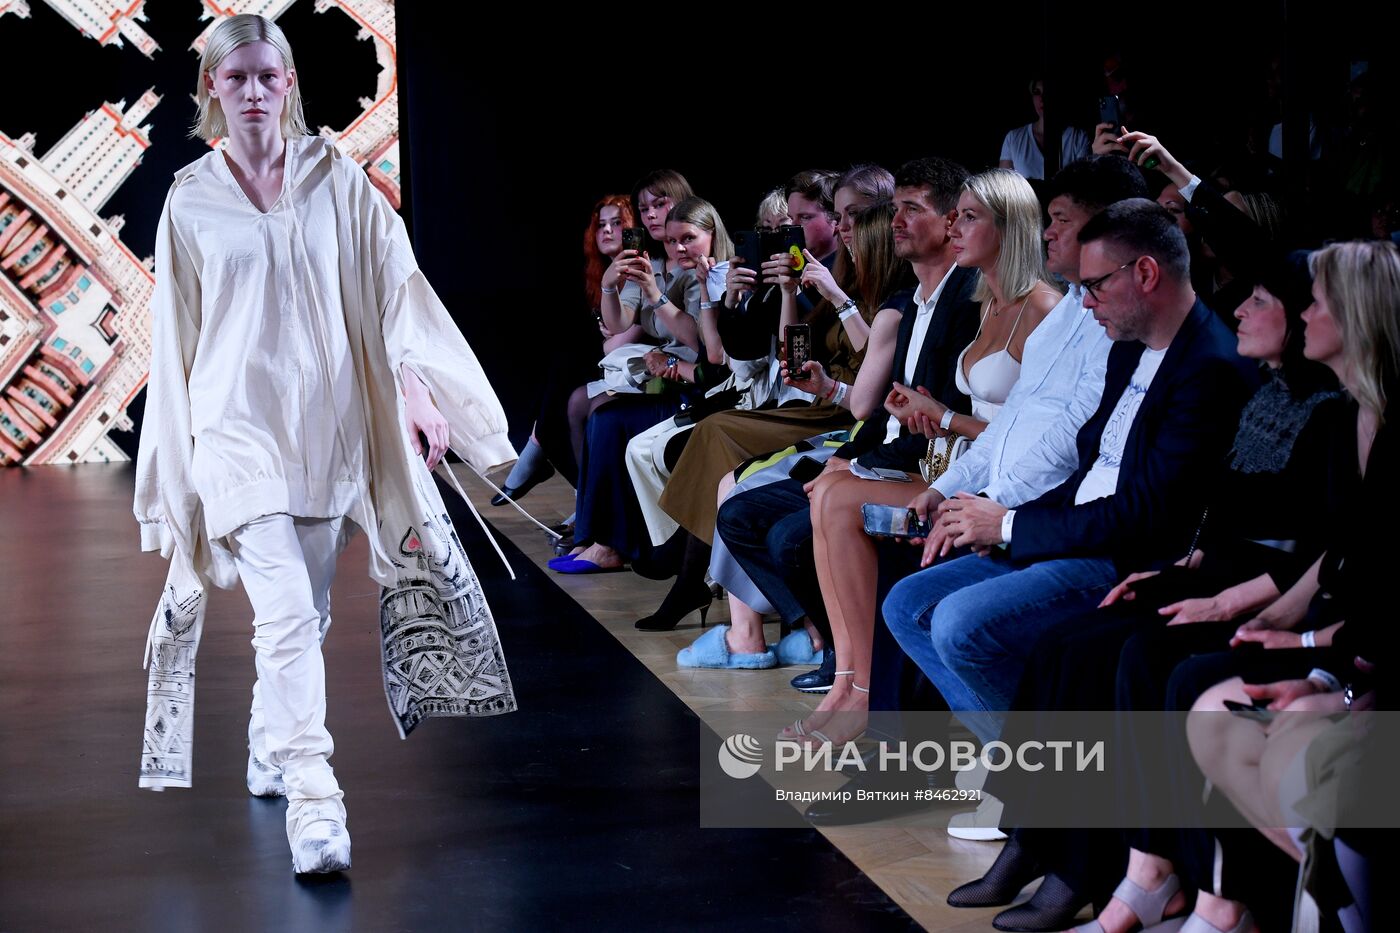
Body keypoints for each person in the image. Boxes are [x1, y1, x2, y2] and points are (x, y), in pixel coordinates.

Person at [133, 15, 517, 874]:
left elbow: (396, 288)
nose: (254, 92)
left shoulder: (336, 178)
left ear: (291, 83)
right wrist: (174, 470)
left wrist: (415, 387)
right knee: (285, 612)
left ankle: (269, 740)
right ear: (211, 89)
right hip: (236, 432)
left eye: (268, 76)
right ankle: (315, 799)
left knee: (304, 614)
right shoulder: (190, 200)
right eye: (236, 78)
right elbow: (173, 338)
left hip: (326, 427)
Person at [791, 168, 1060, 745]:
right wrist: (933, 430)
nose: (955, 228)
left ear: (1009, 226)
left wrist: (942, 420)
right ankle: (848, 683)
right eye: (955, 216)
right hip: (961, 466)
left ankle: (868, 694)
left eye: (968, 217)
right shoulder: (986, 303)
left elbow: (1032, 435)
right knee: (829, 492)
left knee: (837, 499)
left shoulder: (1045, 309)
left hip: (1004, 487)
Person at [493, 194, 642, 507]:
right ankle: (581, 496)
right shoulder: (600, 274)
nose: (607, 230)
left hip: (639, 369)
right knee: (561, 373)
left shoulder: (640, 271)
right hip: (611, 365)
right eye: (601, 225)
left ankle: (538, 448)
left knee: (567, 369)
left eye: (617, 223)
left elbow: (619, 343)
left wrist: (610, 332)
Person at [998, 79, 1091, 180]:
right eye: (1037, 92)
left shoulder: (1078, 137)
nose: (1042, 99)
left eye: (1048, 91)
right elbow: (1005, 185)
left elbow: (1082, 183)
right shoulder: (1013, 138)